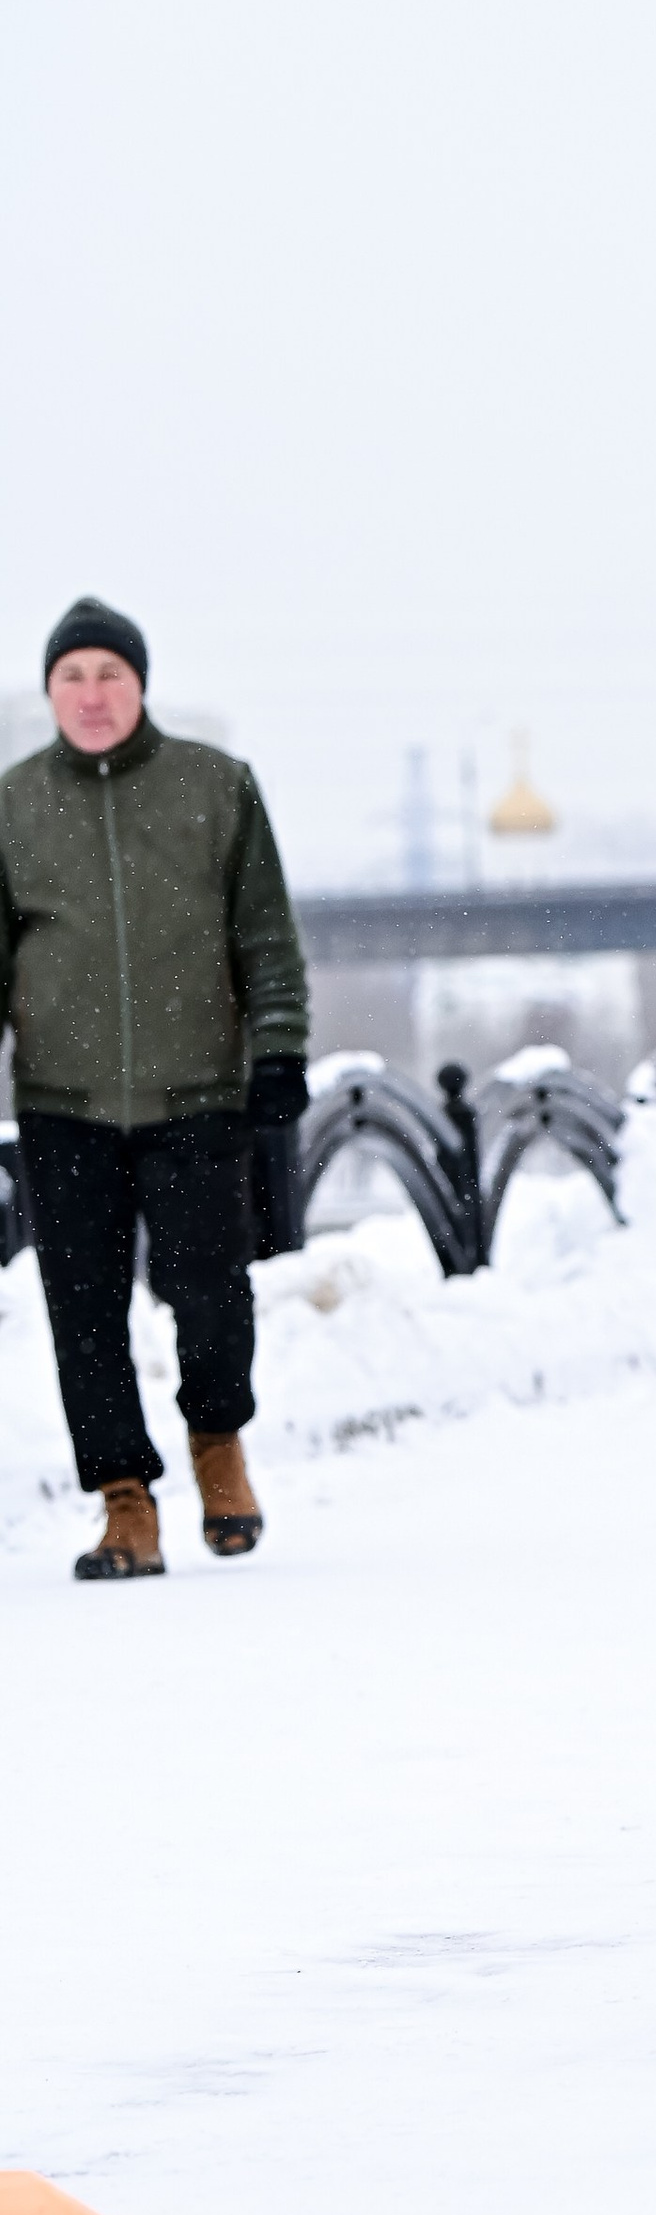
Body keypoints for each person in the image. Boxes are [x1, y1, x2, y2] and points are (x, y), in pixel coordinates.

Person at [0, 600, 308, 1578]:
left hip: (195, 1093)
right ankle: (124, 1501)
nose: (92, 695)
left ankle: (219, 1449)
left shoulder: (214, 789)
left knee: (211, 1294)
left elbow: (265, 934)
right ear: (50, 692)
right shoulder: (12, 806)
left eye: (109, 674)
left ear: (140, 684)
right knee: (82, 1310)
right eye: (72, 677)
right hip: (62, 1097)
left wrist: (280, 1050)